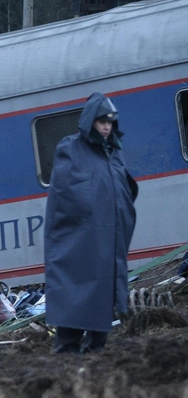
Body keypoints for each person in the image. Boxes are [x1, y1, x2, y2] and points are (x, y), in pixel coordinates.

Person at [44, 92, 138, 354]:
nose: (107, 126)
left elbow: (120, 189)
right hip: (78, 241)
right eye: (101, 121)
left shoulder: (113, 152)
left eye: (110, 121)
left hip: (108, 240)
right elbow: (66, 191)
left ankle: (96, 347)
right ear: (90, 121)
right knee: (74, 292)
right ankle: (67, 348)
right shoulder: (70, 148)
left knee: (103, 292)